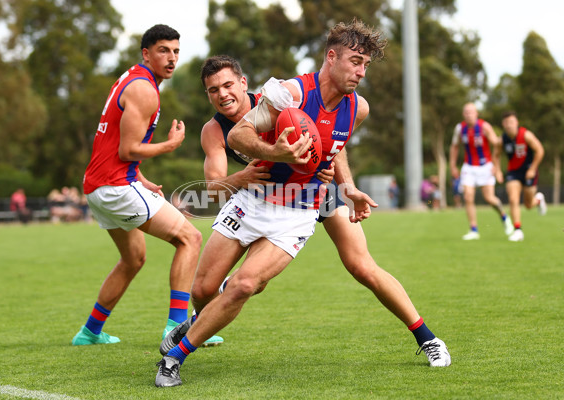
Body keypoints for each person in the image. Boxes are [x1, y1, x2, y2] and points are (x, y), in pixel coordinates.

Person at [155, 21, 450, 387]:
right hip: (258, 199)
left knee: (357, 267)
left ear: (243, 85)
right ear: (331, 57)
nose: (361, 72)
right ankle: (202, 319)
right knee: (204, 290)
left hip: (308, 200)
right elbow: (238, 141)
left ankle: (428, 338)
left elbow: (333, 145)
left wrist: (349, 187)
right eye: (355, 61)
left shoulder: (358, 108)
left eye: (365, 65)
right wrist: (272, 154)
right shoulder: (284, 96)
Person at [71, 24, 204, 347]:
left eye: (175, 51)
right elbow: (127, 149)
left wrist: (142, 180)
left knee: (134, 258)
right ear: (146, 53)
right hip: (115, 187)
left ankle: (89, 332)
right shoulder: (144, 89)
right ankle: (176, 329)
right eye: (163, 51)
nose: (171, 58)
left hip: (98, 187)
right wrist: (169, 145)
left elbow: (114, 145)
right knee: (191, 237)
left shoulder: (131, 78)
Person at [449, 102, 514, 240]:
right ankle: (473, 229)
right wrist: (453, 165)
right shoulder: (460, 129)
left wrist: (496, 167)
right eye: (466, 112)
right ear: (463, 115)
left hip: (485, 166)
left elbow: (496, 145)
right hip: (469, 167)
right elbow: (454, 146)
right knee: (468, 196)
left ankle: (504, 217)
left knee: (489, 199)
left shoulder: (484, 127)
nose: (468, 115)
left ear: (476, 113)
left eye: (471, 112)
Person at [494, 111, 547, 242]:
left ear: (516, 122)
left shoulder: (526, 135)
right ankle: (518, 230)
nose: (509, 125)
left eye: (511, 122)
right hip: (513, 173)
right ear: (503, 124)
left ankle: (538, 200)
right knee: (513, 199)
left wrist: (533, 168)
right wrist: (498, 171)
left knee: (529, 205)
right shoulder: (502, 140)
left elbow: (540, 150)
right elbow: (495, 155)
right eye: (506, 123)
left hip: (529, 171)